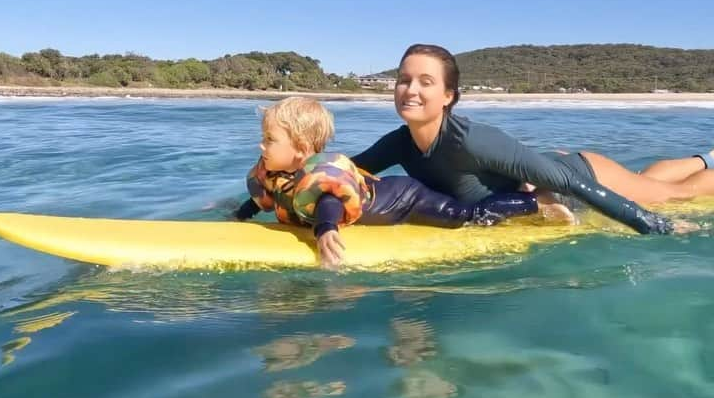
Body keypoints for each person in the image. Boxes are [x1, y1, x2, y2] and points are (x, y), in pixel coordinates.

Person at [351, 44, 714, 236]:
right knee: (647, 182)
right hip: (548, 169)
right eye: (403, 79)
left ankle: (705, 166)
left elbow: (570, 182)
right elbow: (346, 170)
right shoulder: (398, 142)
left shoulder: (473, 140)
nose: (410, 90)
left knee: (674, 196)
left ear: (449, 95)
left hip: (579, 175)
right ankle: (704, 158)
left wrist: (650, 224)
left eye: (425, 82)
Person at [233, 96, 565, 267]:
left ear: (301, 150)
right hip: (386, 191)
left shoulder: (318, 182)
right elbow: (266, 197)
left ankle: (537, 203)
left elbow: (329, 203)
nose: (261, 145)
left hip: (407, 199)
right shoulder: (276, 175)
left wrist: (325, 231)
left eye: (269, 139)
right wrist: (240, 214)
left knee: (467, 217)